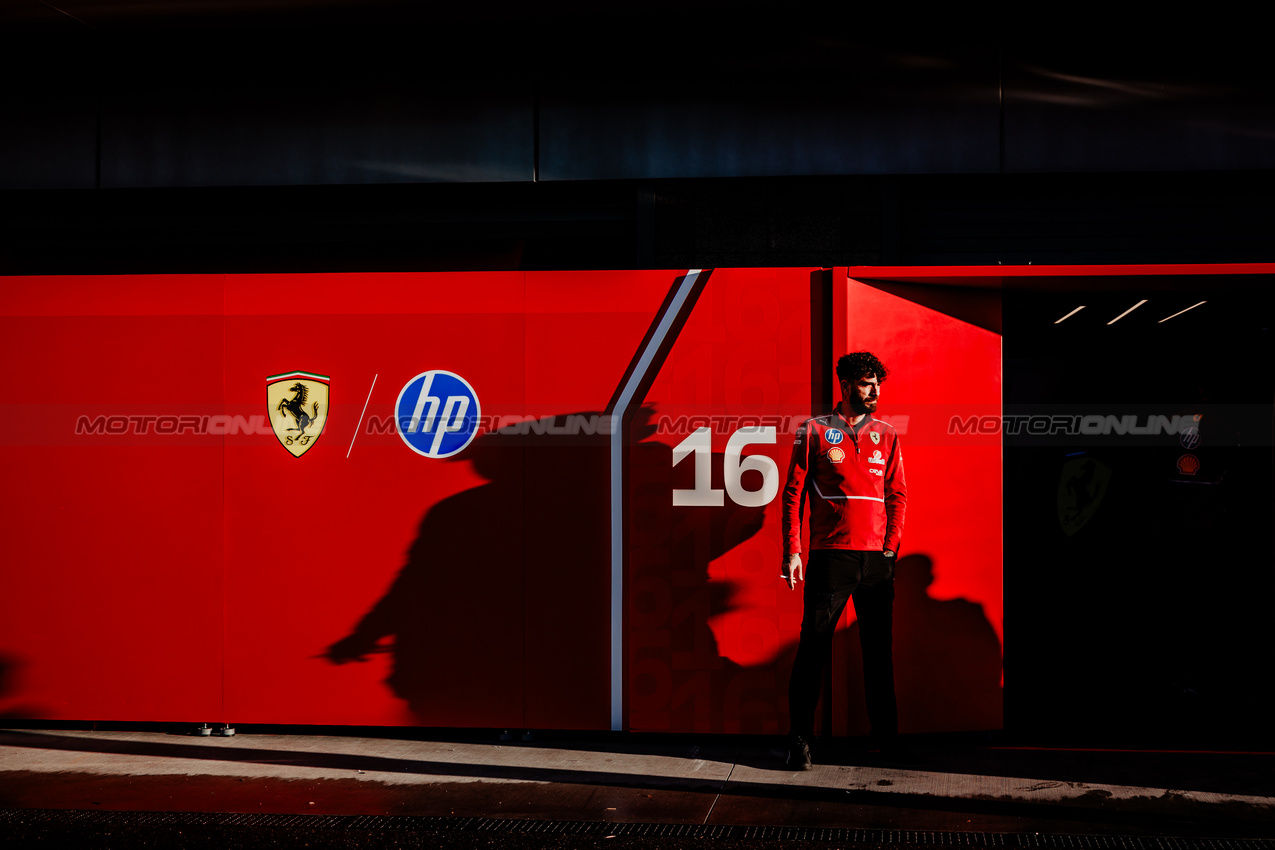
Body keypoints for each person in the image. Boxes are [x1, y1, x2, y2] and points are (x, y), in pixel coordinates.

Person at [781, 351, 907, 769]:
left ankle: (887, 741)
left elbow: (898, 495)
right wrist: (793, 550)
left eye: (877, 384)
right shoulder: (814, 431)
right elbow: (793, 495)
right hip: (829, 559)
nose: (874, 391)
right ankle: (799, 739)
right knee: (813, 649)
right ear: (847, 384)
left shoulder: (887, 433)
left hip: (876, 563)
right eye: (867, 383)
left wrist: (890, 548)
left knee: (879, 654)